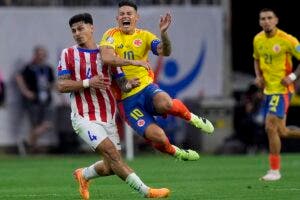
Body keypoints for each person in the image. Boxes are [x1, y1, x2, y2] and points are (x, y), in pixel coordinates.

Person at [57, 13, 170, 199]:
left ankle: (83, 174)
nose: (77, 33)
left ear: (92, 28)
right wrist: (88, 82)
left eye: (81, 28)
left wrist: (129, 85)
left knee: (110, 166)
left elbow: (122, 83)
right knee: (113, 154)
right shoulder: (68, 53)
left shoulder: (108, 53)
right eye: (73, 31)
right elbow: (61, 85)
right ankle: (147, 192)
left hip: (108, 117)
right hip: (84, 117)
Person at [100, 0, 214, 161]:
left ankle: (193, 118)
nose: (125, 16)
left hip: (146, 87)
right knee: (158, 137)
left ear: (136, 17)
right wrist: (135, 62)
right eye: (122, 14)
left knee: (165, 103)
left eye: (129, 13)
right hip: (127, 101)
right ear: (117, 18)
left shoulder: (144, 35)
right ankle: (177, 153)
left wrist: (164, 34)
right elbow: (106, 58)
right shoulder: (111, 35)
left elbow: (164, 51)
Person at [253, 8, 300, 181]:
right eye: (262, 18)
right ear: (260, 22)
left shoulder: (287, 40)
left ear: (276, 20)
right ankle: (274, 170)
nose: (266, 21)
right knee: (283, 131)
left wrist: (293, 76)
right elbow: (256, 59)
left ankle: (274, 171)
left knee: (270, 127)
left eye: (269, 18)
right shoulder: (257, 39)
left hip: (282, 91)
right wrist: (258, 77)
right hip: (268, 91)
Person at [15, 45, 55, 153]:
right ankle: (31, 148)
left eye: (43, 55)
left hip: (46, 100)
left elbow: (52, 83)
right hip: (34, 100)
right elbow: (18, 77)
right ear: (35, 55)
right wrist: (25, 92)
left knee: (47, 124)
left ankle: (27, 143)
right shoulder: (30, 68)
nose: (41, 57)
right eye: (39, 55)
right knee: (35, 125)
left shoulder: (48, 68)